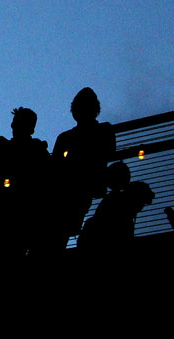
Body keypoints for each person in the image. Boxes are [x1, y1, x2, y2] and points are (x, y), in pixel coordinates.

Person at [0, 107, 51, 258]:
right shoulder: (2, 146)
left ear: (30, 128)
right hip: (3, 211)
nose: (14, 126)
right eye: (15, 122)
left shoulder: (37, 149)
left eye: (19, 123)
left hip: (22, 213)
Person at [49, 88, 116, 249]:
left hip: (76, 189)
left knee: (61, 229)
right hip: (72, 190)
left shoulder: (68, 137)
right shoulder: (67, 137)